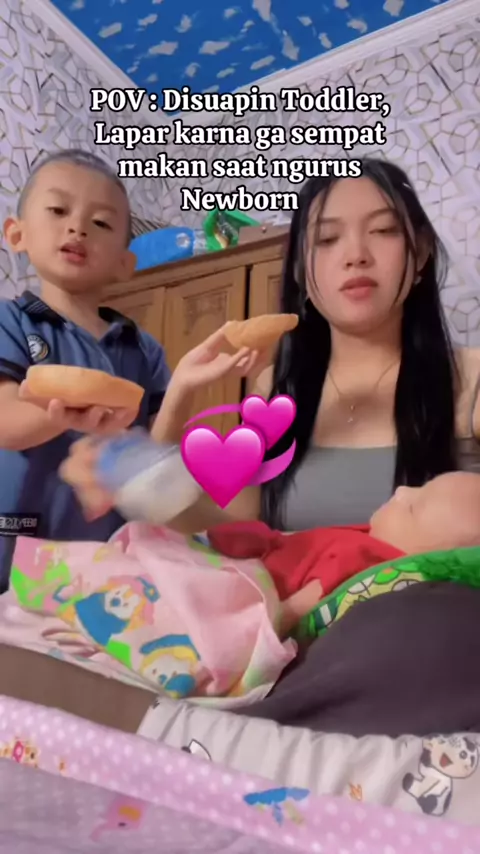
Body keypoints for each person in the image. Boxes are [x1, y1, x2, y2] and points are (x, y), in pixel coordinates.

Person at [56, 156, 480, 739]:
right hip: (284, 659)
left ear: (422, 252)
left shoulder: (470, 381)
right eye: (327, 239)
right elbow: (229, 527)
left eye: (383, 231)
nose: (355, 254)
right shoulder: (273, 392)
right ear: (303, 268)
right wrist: (141, 462)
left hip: (414, 661)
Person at [0, 149, 257, 590]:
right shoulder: (11, 322)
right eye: (58, 210)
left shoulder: (141, 348)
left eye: (101, 223)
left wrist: (183, 386)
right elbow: (5, 421)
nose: (78, 227)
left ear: (125, 263)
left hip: (112, 565)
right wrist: (66, 413)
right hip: (19, 556)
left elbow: (156, 453)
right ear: (17, 234)